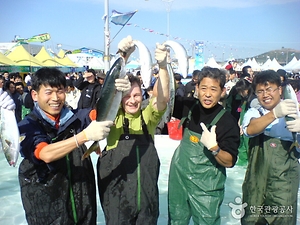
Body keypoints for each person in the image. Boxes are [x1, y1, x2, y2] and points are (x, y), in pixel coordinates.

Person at [15, 67, 130, 225]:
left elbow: (101, 113)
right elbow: (45, 154)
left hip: (82, 206)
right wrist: (84, 136)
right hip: (47, 211)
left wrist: (119, 92)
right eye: (48, 92)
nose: (55, 98)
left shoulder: (73, 118)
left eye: (60, 91)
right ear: (35, 95)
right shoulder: (27, 126)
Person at [96, 35, 170, 225]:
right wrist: (122, 57)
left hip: (146, 200)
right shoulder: (114, 117)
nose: (132, 100)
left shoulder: (148, 117)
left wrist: (163, 67)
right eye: (126, 96)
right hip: (117, 200)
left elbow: (162, 99)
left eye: (136, 95)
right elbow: (106, 97)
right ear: (119, 98)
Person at [168, 67, 240, 225]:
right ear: (197, 88)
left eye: (213, 89)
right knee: (176, 220)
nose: (208, 94)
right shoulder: (189, 107)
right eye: (204, 88)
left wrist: (214, 148)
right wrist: (163, 66)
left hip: (206, 187)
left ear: (222, 91)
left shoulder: (227, 121)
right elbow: (164, 98)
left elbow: (229, 161)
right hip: (179, 180)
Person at [241, 70, 300, 224]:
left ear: (280, 90)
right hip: (256, 181)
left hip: (284, 184)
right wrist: (274, 114)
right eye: (260, 91)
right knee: (251, 219)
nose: (265, 94)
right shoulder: (255, 111)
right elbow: (250, 129)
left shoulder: (295, 113)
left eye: (269, 89)